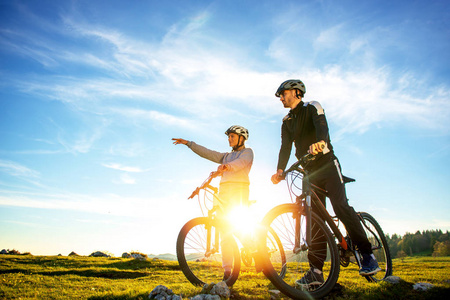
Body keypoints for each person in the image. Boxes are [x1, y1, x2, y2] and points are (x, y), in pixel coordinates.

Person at [270, 79, 380, 286]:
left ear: (296, 92)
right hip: (308, 171)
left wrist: (321, 143)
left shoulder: (313, 106)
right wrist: (279, 170)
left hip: (327, 164)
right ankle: (316, 272)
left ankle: (367, 256)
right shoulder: (286, 121)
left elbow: (322, 127)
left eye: (283, 93)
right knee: (315, 220)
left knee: (340, 207)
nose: (281, 97)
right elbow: (285, 147)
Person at [172, 125, 253, 281]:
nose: (229, 139)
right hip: (223, 193)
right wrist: (189, 144)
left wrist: (226, 167)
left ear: (241, 138)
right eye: (228, 137)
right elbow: (208, 153)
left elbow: (241, 163)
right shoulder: (226, 156)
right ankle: (228, 271)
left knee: (239, 224)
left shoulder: (247, 152)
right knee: (224, 231)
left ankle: (253, 247)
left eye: (232, 137)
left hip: (239, 192)